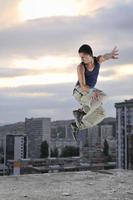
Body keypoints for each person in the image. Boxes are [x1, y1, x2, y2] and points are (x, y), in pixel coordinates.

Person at [71, 44, 119, 141]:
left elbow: (104, 57)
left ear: (90, 55)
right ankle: (82, 112)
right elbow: (83, 86)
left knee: (102, 113)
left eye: (83, 57)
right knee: (103, 96)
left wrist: (110, 55)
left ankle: (77, 125)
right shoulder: (81, 67)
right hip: (80, 92)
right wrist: (93, 91)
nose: (82, 59)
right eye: (81, 57)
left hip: (89, 93)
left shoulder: (97, 61)